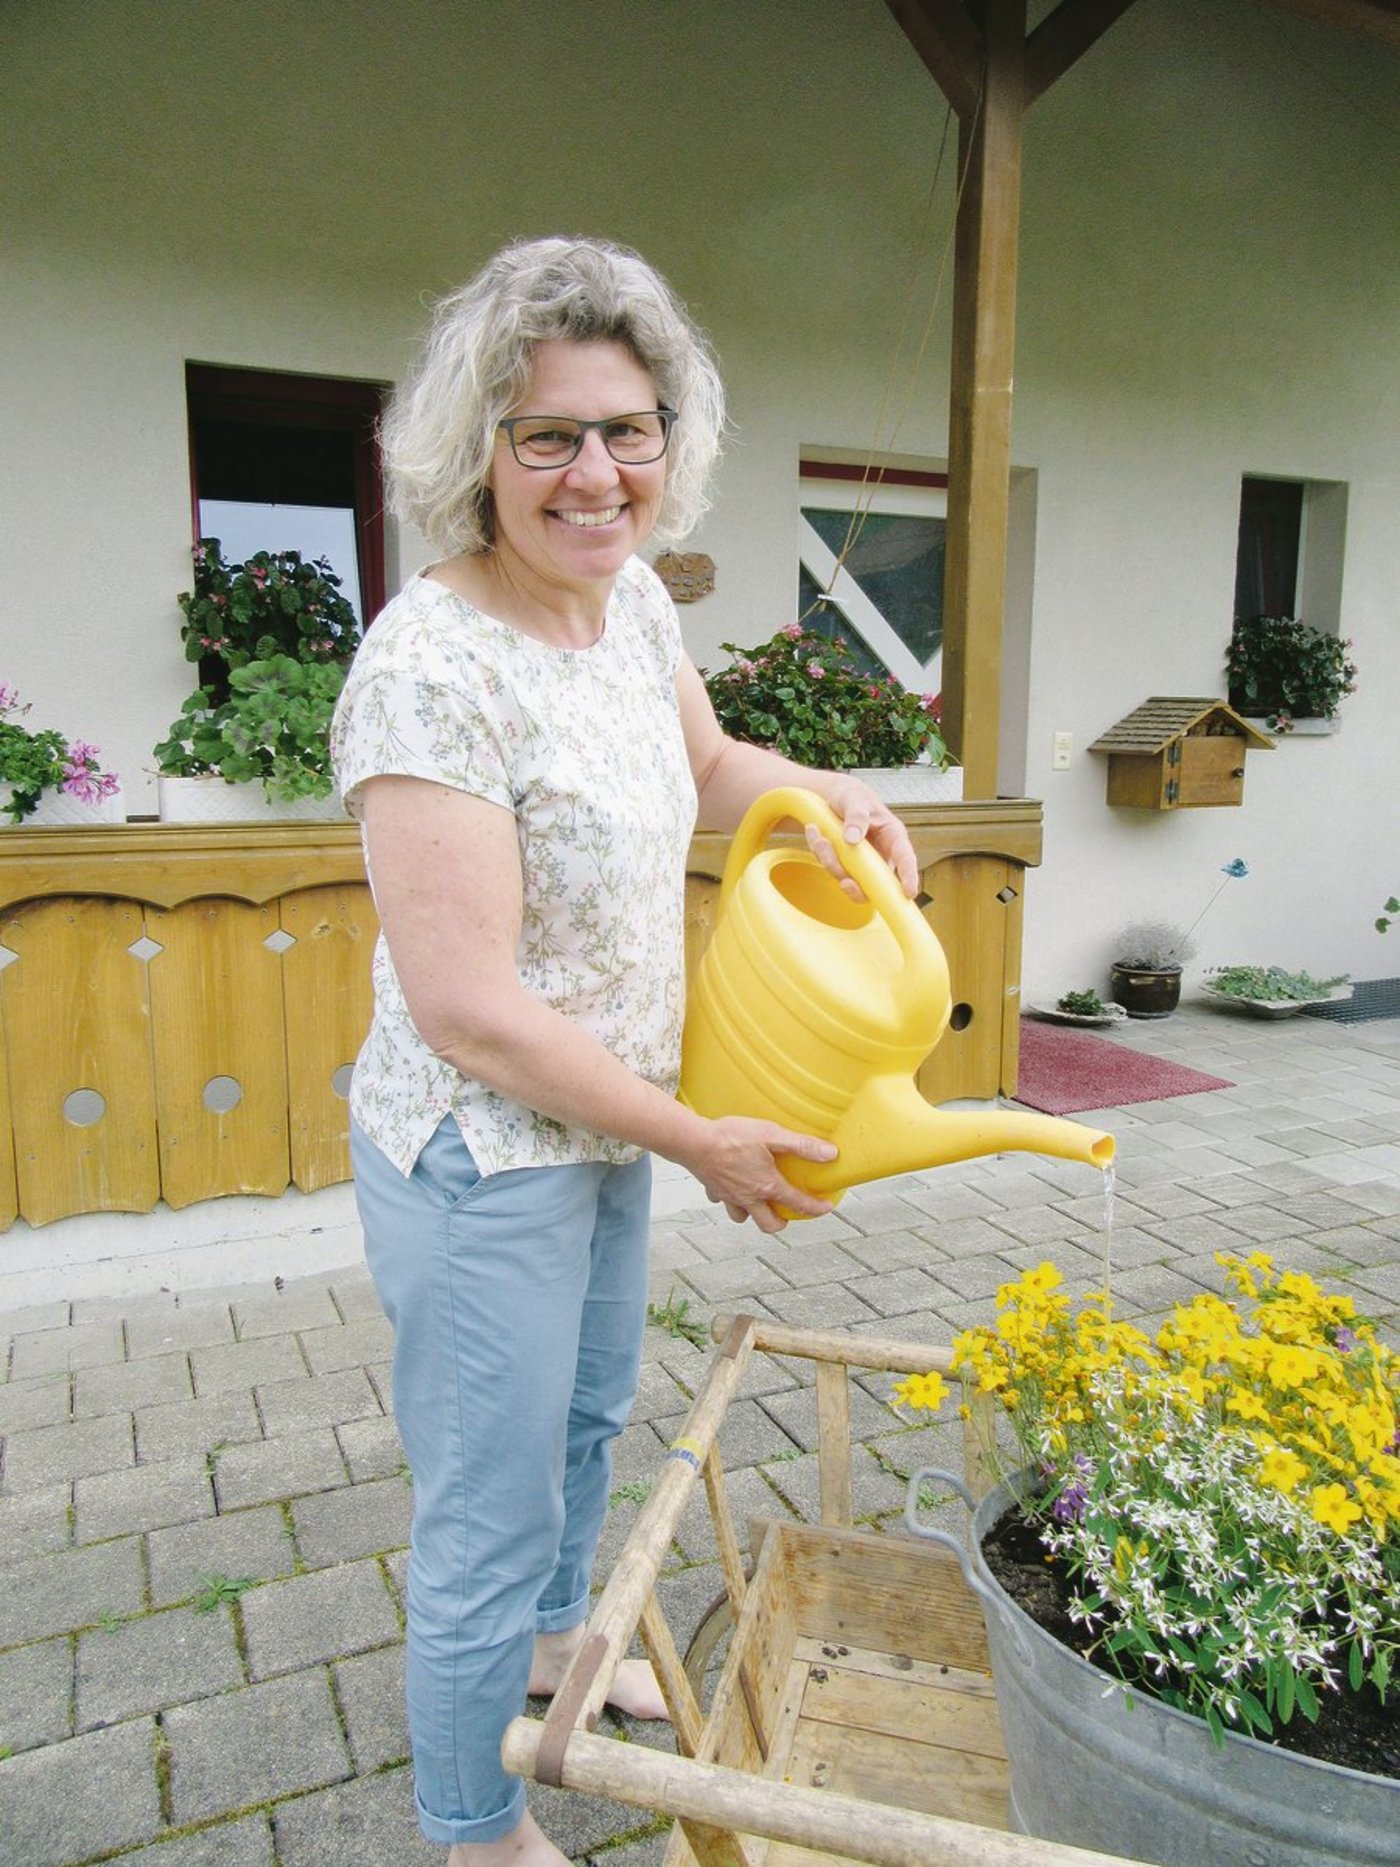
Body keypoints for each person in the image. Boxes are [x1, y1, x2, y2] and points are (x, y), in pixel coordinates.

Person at [330, 235, 919, 1867]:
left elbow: (715, 761)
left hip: (602, 1132)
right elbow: (466, 1008)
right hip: (483, 1151)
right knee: (485, 1502)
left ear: (670, 440)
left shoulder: (629, 598)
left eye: (629, 430)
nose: (597, 473)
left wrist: (824, 798)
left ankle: (548, 1652)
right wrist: (695, 1137)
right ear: (480, 456)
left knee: (586, 1424)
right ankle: (469, 1825)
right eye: (550, 437)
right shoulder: (430, 668)